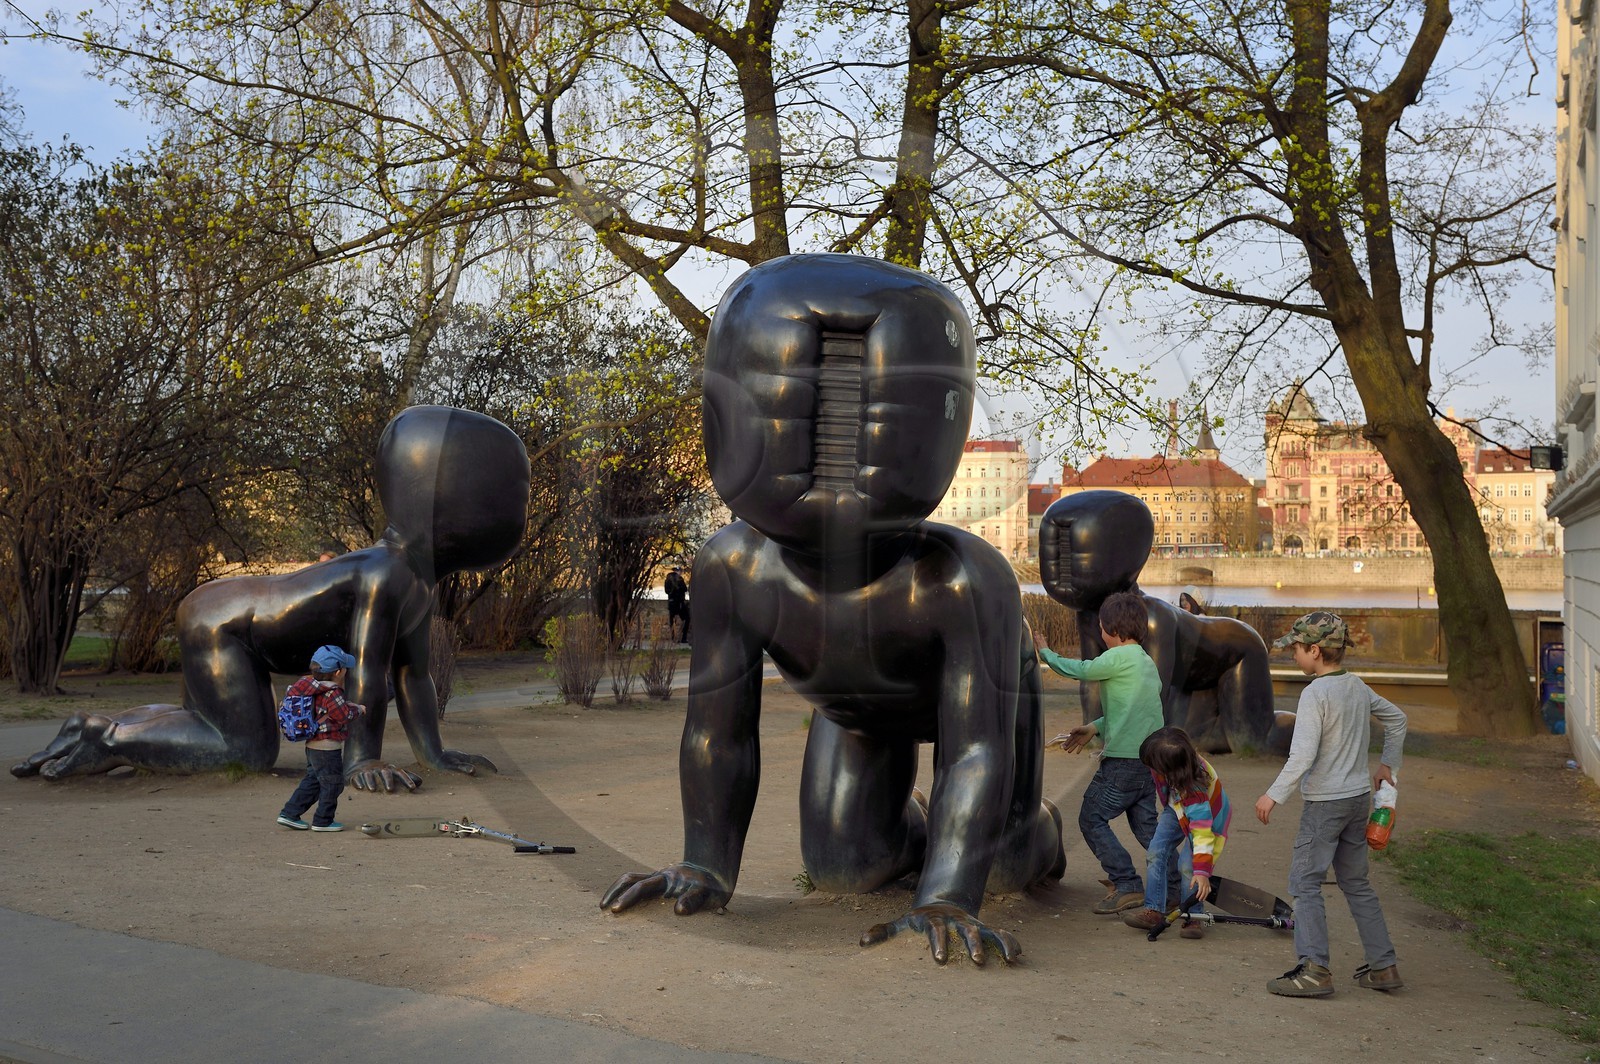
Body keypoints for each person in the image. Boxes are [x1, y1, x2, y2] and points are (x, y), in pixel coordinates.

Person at [1256, 610, 1407, 997]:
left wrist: (1273, 794)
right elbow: (1398, 719)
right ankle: (1383, 966)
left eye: (1297, 649)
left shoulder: (1315, 694)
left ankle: (1314, 970)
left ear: (1316, 650)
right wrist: (1387, 763)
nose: (1293, 655)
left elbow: (1302, 755)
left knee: (1304, 883)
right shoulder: (1356, 687)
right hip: (1358, 799)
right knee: (1356, 883)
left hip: (1325, 804)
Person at [1035, 590, 1176, 915]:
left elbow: (1081, 670)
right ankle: (1173, 890)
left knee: (1091, 818)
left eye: (1101, 627)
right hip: (1149, 765)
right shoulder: (1146, 663)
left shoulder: (1116, 658)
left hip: (1121, 764)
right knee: (1149, 831)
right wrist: (1094, 727)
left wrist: (1047, 653)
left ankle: (1126, 883)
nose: (1100, 633)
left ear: (1112, 630)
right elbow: (1133, 712)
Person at [1120, 726, 1232, 939]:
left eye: (1154, 766)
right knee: (1156, 851)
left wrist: (1202, 872)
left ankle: (1194, 915)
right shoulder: (1171, 757)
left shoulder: (1196, 791)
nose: (1152, 769)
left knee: (1189, 868)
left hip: (1207, 818)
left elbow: (1203, 835)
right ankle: (1154, 909)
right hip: (1177, 807)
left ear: (1170, 769)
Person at [277, 645, 367, 832]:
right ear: (338, 671)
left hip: (312, 744)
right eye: (345, 669)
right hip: (327, 746)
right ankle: (323, 820)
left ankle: (290, 813)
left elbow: (324, 710)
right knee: (334, 783)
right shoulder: (333, 692)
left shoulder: (308, 686)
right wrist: (358, 709)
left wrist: (346, 705)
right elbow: (343, 716)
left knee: (314, 780)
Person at [664, 567, 691, 643]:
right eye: (681, 571)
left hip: (671, 602)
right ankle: (683, 637)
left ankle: (673, 638)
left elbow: (666, 591)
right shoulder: (679, 579)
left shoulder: (667, 580)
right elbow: (685, 589)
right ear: (678, 571)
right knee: (687, 618)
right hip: (679, 603)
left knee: (672, 621)